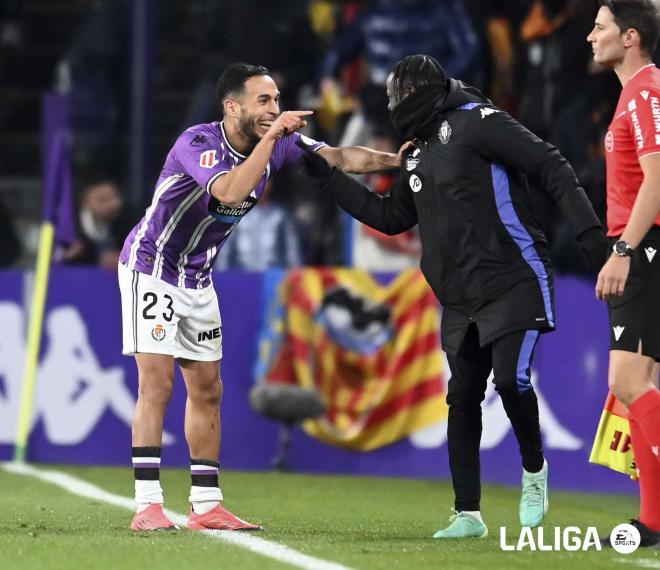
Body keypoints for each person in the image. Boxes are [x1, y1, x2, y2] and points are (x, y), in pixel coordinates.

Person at [298, 54, 609, 539]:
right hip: (460, 297)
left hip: (513, 276)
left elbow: (550, 163)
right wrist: (330, 178)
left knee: (510, 380)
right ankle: (467, 514)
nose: (393, 104)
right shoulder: (417, 151)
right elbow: (390, 217)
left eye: (397, 95)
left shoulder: (479, 121)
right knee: (462, 398)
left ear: (417, 93)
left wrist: (590, 236)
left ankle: (534, 470)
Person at [117, 63, 400, 532]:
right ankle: (148, 504)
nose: (274, 109)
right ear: (233, 107)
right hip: (152, 268)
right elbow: (229, 191)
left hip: (197, 276)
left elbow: (339, 157)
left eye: (276, 100)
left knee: (208, 390)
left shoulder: (281, 143)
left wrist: (397, 161)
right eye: (263, 101)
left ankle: (206, 506)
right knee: (158, 386)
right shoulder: (199, 144)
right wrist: (272, 141)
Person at [587, 0, 660, 548]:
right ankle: (652, 522)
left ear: (630, 37)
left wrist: (625, 250)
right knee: (641, 385)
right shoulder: (632, 94)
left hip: (646, 248)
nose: (591, 36)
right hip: (644, 246)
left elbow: (657, 180)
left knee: (628, 383)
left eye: (601, 26)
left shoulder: (645, 91)